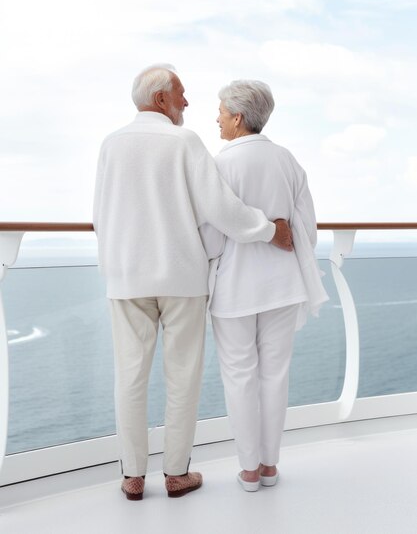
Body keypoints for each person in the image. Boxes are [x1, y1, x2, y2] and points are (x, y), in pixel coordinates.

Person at [93, 65, 294, 501]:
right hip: (182, 276)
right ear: (161, 99)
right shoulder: (184, 141)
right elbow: (221, 208)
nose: (187, 103)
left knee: (129, 375)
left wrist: (112, 264)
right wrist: (268, 230)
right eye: (181, 95)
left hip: (126, 277)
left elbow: (100, 215)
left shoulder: (111, 144)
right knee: (182, 376)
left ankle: (132, 475)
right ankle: (176, 474)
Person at [200, 79, 328, 492]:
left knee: (239, 376)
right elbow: (305, 231)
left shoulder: (219, 165)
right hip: (284, 284)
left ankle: (249, 470)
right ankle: (270, 466)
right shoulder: (287, 160)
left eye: (220, 111)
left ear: (237, 117)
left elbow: (212, 237)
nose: (216, 118)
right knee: (276, 375)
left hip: (234, 288)